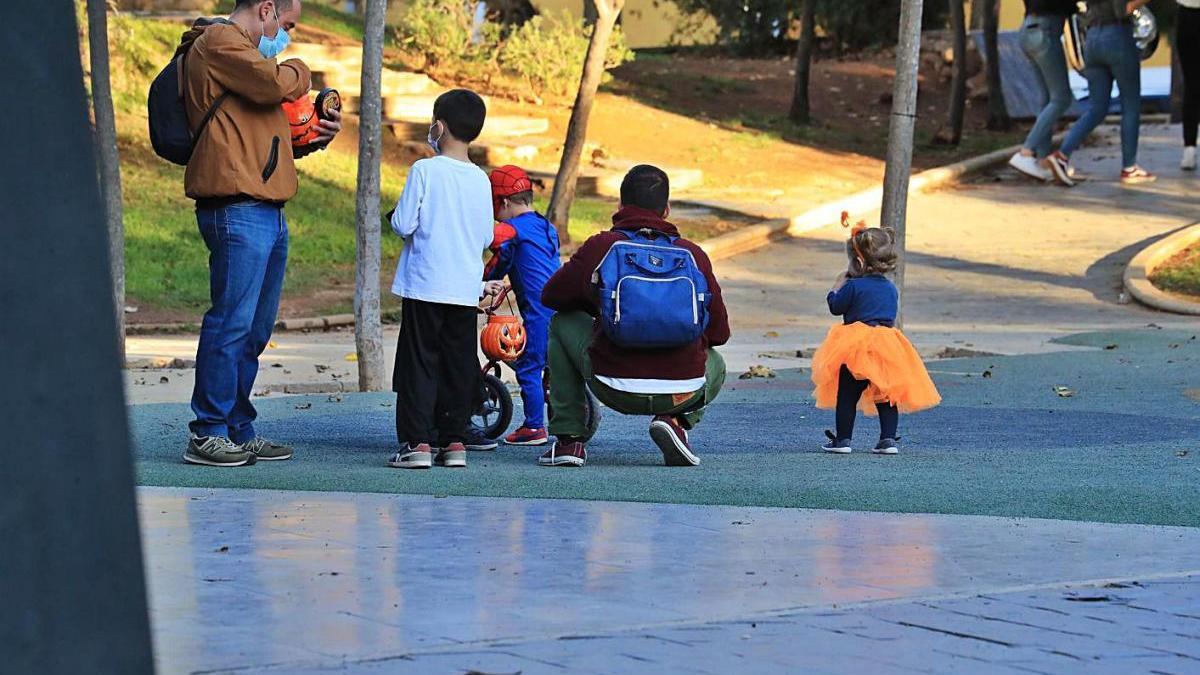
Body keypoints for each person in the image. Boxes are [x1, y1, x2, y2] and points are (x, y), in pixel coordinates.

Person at [181, 0, 342, 468]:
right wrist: (302, 69)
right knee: (231, 323)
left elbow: (270, 139)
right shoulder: (220, 41)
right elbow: (275, 82)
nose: (286, 36)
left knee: (253, 329)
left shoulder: (246, 62)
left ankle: (236, 426)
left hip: (266, 208)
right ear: (266, 8)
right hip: (235, 207)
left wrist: (315, 135)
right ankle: (207, 431)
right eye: (286, 25)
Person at [539, 165, 729, 468]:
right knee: (717, 362)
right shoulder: (693, 254)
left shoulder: (601, 247)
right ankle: (675, 421)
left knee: (561, 322)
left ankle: (568, 441)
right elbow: (720, 333)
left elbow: (551, 296)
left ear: (620, 206)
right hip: (680, 391)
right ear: (666, 210)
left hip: (612, 384)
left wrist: (598, 304)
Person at [388, 89, 494, 470]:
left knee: (419, 362)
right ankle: (454, 441)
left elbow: (403, 223)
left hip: (425, 283)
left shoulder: (424, 170)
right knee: (456, 362)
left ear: (440, 126)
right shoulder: (481, 179)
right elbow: (486, 236)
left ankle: (417, 442)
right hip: (464, 287)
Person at [810, 225, 940, 455]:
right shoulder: (890, 288)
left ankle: (843, 440)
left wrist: (836, 287)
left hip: (856, 346)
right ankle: (887, 439)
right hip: (887, 344)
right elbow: (889, 314)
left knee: (847, 396)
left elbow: (835, 307)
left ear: (859, 259)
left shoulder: (853, 286)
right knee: (886, 395)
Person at [484, 166, 562, 447]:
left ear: (503, 203)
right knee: (555, 365)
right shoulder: (545, 225)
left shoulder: (510, 230)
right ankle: (567, 415)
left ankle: (533, 428)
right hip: (560, 304)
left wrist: (482, 282)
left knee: (529, 366)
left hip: (538, 309)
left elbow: (499, 262)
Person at [1046, 0, 1156, 186]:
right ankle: (1129, 167)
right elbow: (1123, 9)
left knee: (1097, 108)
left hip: (1092, 39)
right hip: (1117, 36)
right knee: (1130, 104)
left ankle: (1062, 155)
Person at [1009, 0, 1078, 181]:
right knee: (1062, 98)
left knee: (1047, 98)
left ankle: (1041, 161)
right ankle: (1026, 152)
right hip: (1045, 31)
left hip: (1029, 29)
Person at [1178, 0, 1200, 170]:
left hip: (1187, 14)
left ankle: (1189, 149)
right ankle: (1189, 149)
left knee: (1191, 85)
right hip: (1187, 14)